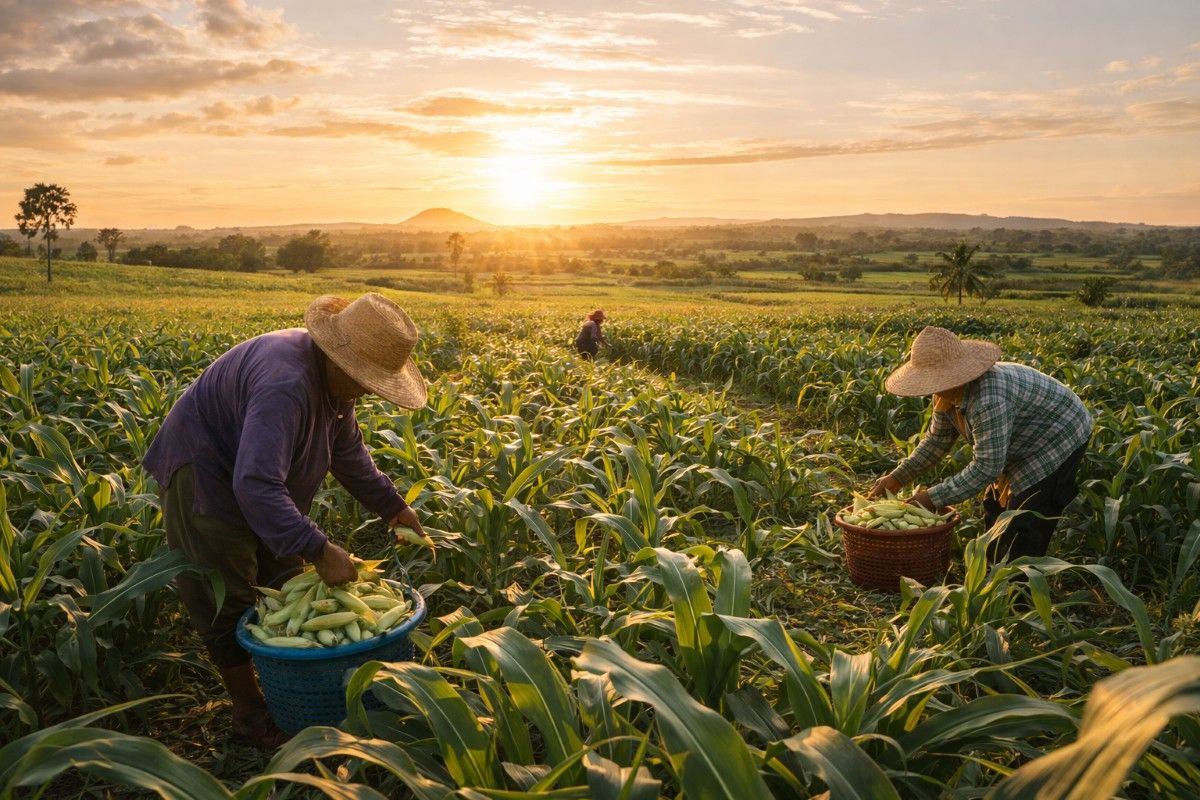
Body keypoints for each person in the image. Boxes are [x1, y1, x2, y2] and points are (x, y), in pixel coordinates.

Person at [143, 292, 430, 749]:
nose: (365, 391)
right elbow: (255, 485)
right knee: (227, 596)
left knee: (280, 583)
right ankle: (250, 714)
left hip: (253, 475)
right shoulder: (287, 383)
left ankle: (290, 687)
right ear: (339, 358)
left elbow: (348, 453)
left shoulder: (333, 382)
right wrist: (317, 548)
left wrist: (393, 506)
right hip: (205, 473)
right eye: (363, 380)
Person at [869, 326, 1092, 562]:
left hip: (1058, 434)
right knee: (994, 506)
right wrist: (897, 477)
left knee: (1024, 518)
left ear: (954, 374)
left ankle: (1019, 588)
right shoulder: (945, 393)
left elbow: (987, 467)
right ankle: (991, 567)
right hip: (1023, 434)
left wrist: (932, 498)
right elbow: (936, 441)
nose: (932, 387)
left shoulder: (989, 399)